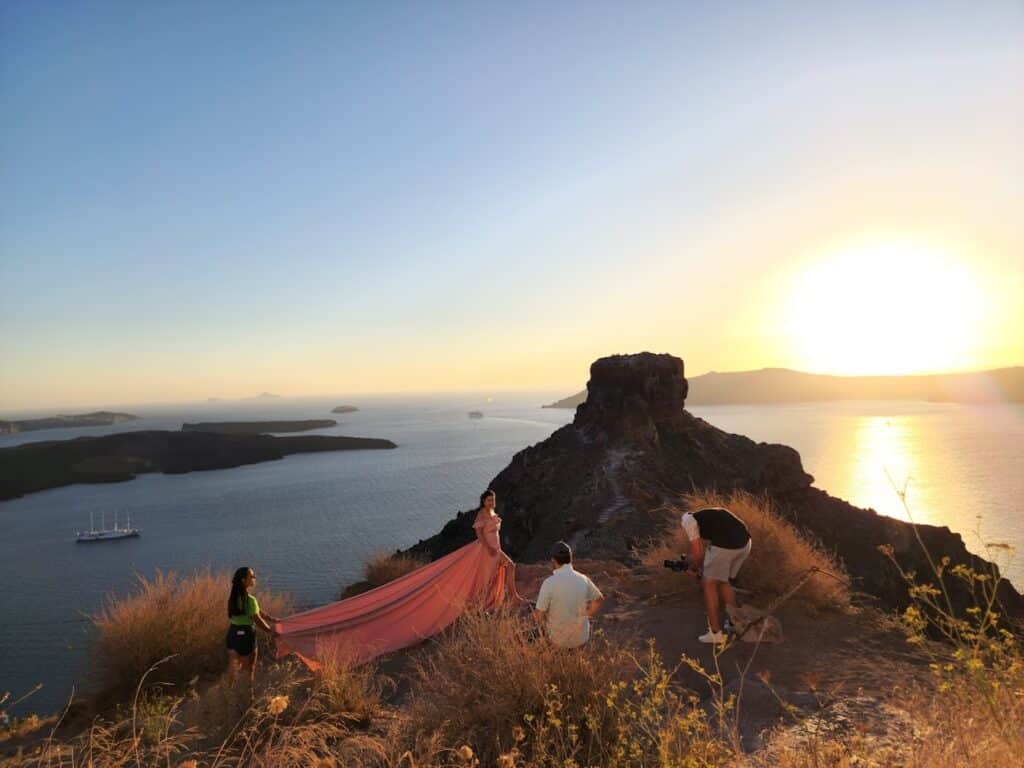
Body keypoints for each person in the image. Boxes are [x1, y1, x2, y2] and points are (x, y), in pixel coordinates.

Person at [274, 489, 519, 668]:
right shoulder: (482, 515)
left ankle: (506, 596)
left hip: (494, 551)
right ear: (483, 501)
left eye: (493, 499)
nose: (491, 501)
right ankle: (495, 601)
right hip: (485, 553)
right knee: (486, 577)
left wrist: (494, 548)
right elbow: (479, 535)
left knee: (508, 567)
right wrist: (488, 548)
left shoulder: (494, 512)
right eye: (488, 499)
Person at [680, 507, 752, 644]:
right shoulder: (708, 516)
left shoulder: (688, 521)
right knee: (723, 581)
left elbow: (698, 552)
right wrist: (699, 564)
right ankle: (735, 623)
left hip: (728, 547)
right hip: (745, 544)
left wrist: (694, 568)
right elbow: (703, 550)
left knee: (709, 584)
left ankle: (715, 634)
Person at [534, 541, 604, 648]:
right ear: (570, 559)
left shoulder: (549, 583)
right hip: (581, 639)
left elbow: (538, 616)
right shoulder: (583, 579)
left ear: (553, 561)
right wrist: (585, 617)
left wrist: (542, 630)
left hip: (557, 641)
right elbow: (599, 599)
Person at [225, 566, 278, 686]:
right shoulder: (250, 600)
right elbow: (257, 619)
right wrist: (270, 631)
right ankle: (248, 695)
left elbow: (256, 611)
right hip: (246, 636)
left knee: (233, 667)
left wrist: (271, 619)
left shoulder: (234, 598)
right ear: (244, 580)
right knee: (249, 669)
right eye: (252, 576)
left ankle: (228, 692)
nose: (255, 578)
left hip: (233, 634)